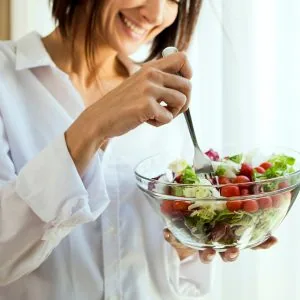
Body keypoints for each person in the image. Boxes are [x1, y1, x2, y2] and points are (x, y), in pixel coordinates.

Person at [0, 0, 276, 299]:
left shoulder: (165, 96)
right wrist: (92, 126)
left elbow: (182, 283)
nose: (156, 14)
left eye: (175, 0)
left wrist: (192, 240)